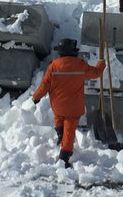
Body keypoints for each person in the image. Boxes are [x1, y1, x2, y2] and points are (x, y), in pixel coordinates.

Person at [32, 38, 105, 168]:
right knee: (69, 130)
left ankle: (59, 132)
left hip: (58, 105)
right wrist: (101, 64)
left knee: (59, 116)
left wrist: (36, 97)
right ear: (73, 52)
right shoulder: (80, 64)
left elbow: (45, 85)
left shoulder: (53, 65)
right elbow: (96, 73)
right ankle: (64, 156)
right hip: (73, 107)